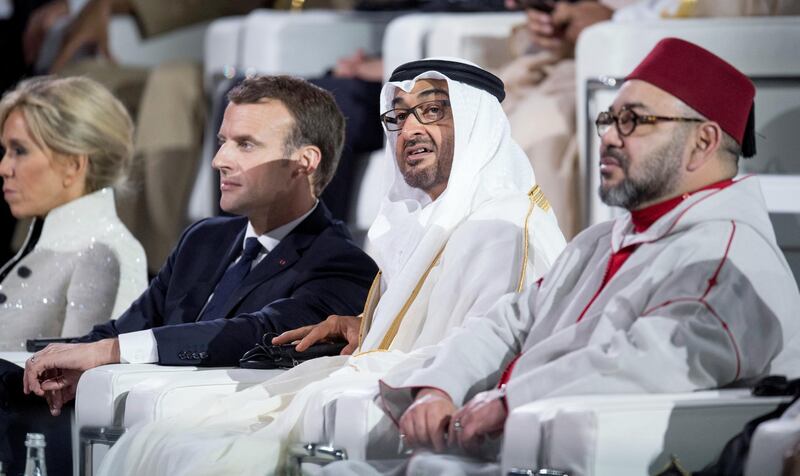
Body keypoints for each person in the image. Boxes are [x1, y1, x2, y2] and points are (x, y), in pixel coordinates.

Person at [93, 57, 567, 476]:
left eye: (434, 110)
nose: (411, 129)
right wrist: (365, 326)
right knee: (164, 439)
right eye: (398, 117)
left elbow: (490, 358)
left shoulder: (505, 227)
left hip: (435, 415)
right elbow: (439, 324)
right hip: (376, 387)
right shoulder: (431, 226)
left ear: (477, 122)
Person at [377, 38, 800, 472]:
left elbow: (648, 363)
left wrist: (508, 402)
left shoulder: (730, 260)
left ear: (703, 142)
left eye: (634, 121)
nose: (610, 137)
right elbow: (510, 324)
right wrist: (438, 386)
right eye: (609, 119)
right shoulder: (599, 241)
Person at [0, 74, 377, 475]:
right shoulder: (204, 240)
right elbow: (124, 330)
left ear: (304, 163)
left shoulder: (341, 264)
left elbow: (257, 333)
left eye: (245, 144)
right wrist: (54, 364)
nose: (219, 160)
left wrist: (107, 353)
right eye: (222, 141)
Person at [0, 76, 147, 350]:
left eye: (19, 151)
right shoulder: (54, 244)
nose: (4, 168)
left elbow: (77, 384)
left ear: (73, 165)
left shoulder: (104, 252)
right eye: (6, 150)